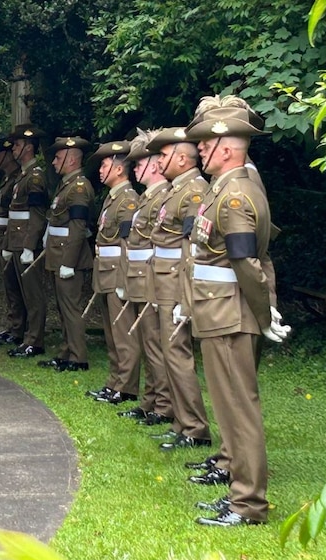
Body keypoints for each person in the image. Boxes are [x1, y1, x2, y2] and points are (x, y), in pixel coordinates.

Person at [183, 106, 290, 526]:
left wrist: (264, 315)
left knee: (239, 411)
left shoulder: (233, 194)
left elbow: (246, 262)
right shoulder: (228, 187)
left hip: (230, 312)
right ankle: (238, 492)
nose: (200, 152)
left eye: (206, 146)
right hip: (219, 309)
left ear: (227, 150)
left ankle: (248, 504)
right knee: (231, 409)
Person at [145, 127, 212, 450]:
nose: (158, 161)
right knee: (169, 353)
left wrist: (186, 295)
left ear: (183, 159)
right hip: (165, 279)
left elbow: (191, 248)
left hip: (176, 280)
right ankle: (182, 421)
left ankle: (195, 427)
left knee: (177, 353)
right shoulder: (177, 190)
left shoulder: (194, 192)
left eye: (164, 154)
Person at [117, 129, 175, 427]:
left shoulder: (162, 196)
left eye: (139, 164)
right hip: (141, 277)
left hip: (153, 279)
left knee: (156, 345)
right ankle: (151, 400)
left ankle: (163, 405)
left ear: (153, 165)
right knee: (149, 343)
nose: (135, 168)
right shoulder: (147, 198)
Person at [83, 141, 142, 404]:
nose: (100, 170)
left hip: (118, 273)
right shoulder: (113, 198)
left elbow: (129, 243)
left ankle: (126, 386)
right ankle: (115, 381)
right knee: (112, 332)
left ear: (119, 169)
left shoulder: (128, 200)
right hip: (107, 272)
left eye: (105, 165)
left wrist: (125, 278)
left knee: (124, 333)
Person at [37, 136, 94, 371]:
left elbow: (78, 227)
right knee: (62, 307)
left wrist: (68, 262)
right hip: (58, 255)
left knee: (71, 308)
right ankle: (67, 351)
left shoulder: (79, 187)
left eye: (58, 158)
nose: (53, 162)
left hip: (69, 257)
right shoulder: (67, 185)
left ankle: (78, 356)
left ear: (71, 160)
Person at [4, 124, 49, 358]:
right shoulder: (23, 176)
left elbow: (37, 214)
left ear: (29, 148)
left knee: (33, 294)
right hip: (17, 242)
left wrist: (30, 246)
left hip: (26, 243)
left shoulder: (35, 176)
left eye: (18, 145)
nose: (14, 150)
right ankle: (24, 335)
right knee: (21, 290)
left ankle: (35, 340)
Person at [0, 137, 26, 347]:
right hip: (3, 238)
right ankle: (13, 325)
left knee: (14, 285)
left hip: (12, 239)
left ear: (9, 156)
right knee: (9, 285)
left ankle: (18, 328)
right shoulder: (8, 180)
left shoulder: (18, 179)